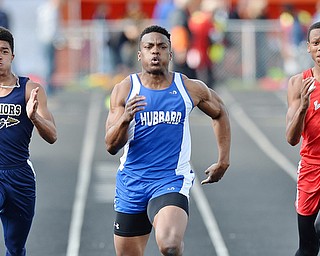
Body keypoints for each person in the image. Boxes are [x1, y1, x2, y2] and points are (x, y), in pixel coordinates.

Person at [105, 25, 231, 256]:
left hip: (170, 180)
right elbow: (111, 146)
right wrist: (125, 118)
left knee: (170, 245)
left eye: (162, 47)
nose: (155, 52)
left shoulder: (189, 88)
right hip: (132, 183)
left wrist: (223, 160)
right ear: (139, 54)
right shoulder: (124, 90)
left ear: (170, 54)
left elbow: (220, 112)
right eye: (149, 47)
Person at [0, 27, 57, 255]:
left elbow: (52, 135)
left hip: (19, 177)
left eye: (3, 51)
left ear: (12, 56)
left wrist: (33, 117)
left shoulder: (30, 90)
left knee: (15, 247)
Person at [286, 21, 320, 256]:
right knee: (307, 247)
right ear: (308, 47)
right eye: (316, 43)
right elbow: (291, 138)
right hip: (310, 168)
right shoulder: (298, 83)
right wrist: (303, 107)